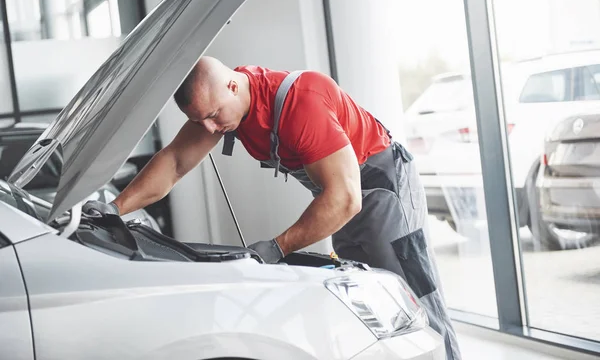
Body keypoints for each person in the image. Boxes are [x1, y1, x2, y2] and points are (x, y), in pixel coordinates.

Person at [83, 56, 461, 359]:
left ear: (233, 85)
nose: (210, 129)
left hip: (380, 185)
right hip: (339, 190)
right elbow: (176, 162)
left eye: (213, 116)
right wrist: (116, 207)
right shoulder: (223, 105)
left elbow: (346, 199)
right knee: (369, 302)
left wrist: (278, 246)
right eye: (201, 121)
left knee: (415, 300)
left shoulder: (302, 103)